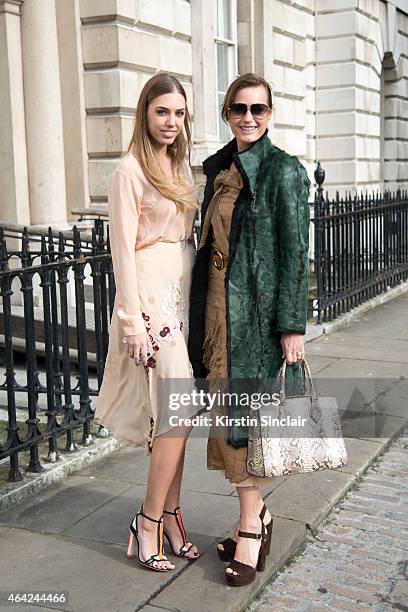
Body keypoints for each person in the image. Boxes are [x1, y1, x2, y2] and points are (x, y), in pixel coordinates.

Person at [188, 73, 310, 586]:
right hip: (218, 314)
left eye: (259, 109)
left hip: (257, 323)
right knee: (227, 416)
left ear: (271, 113)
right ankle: (256, 517)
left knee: (247, 425)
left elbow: (293, 254)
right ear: (226, 113)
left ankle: (249, 527)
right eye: (239, 109)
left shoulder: (285, 172)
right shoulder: (218, 169)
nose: (249, 118)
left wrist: (292, 326)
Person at [95, 72, 200, 572]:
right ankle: (150, 519)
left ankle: (173, 513)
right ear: (145, 112)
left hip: (180, 297)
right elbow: (121, 252)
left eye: (178, 113)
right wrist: (131, 321)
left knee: (174, 415)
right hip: (150, 301)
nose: (171, 122)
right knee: (177, 411)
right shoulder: (128, 171)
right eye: (163, 112)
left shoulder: (178, 165)